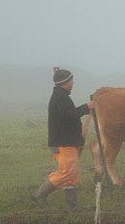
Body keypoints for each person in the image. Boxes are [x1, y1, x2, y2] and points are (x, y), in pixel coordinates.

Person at [36, 67, 93, 207]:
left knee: (72, 175)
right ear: (65, 82)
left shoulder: (61, 96)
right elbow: (70, 115)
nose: (73, 82)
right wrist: (87, 107)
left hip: (66, 141)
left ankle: (72, 206)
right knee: (66, 172)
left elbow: (69, 114)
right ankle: (39, 195)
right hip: (64, 143)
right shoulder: (60, 98)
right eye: (71, 80)